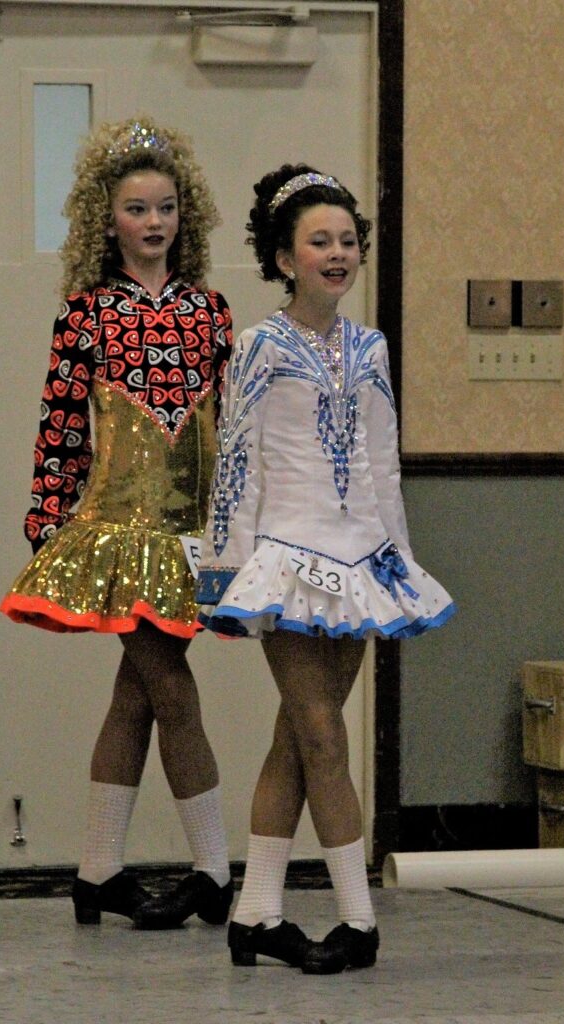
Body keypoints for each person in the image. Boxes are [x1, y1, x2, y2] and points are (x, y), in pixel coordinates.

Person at [197, 165, 456, 973]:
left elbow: (384, 465)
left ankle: (256, 915)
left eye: (348, 240)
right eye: (320, 242)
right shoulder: (257, 348)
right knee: (322, 735)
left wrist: (399, 564)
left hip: (361, 561)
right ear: (284, 257)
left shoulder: (369, 346)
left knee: (294, 737)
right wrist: (225, 571)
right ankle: (359, 920)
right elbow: (235, 462)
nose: (337, 253)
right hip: (285, 562)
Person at [1, 117, 234, 930]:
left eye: (167, 207)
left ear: (185, 216)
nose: (154, 222)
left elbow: (232, 429)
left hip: (193, 534)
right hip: (115, 531)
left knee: (137, 695)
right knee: (173, 688)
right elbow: (61, 426)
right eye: (138, 209)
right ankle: (214, 870)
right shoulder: (86, 315)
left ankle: (97, 873)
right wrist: (48, 518)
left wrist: (242, 527)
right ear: (109, 220)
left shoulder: (211, 313)